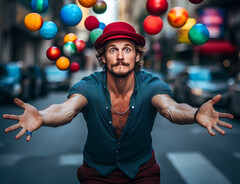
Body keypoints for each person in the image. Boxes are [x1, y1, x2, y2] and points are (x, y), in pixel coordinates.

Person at [3, 22, 234, 184]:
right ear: (103, 57)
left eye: (127, 49)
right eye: (113, 50)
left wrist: (195, 114)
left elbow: (170, 108)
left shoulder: (150, 84)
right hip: (96, 172)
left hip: (142, 171)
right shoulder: (89, 85)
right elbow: (66, 110)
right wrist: (41, 117)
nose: (121, 56)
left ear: (137, 56)